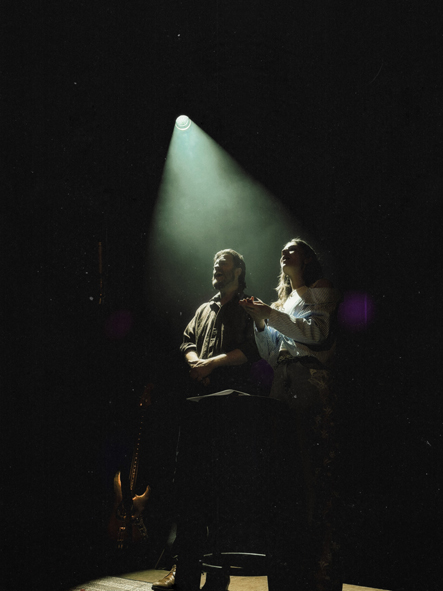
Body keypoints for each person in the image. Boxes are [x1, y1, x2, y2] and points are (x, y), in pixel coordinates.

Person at [152, 249, 261, 591]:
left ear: (239, 270)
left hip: (229, 409)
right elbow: (187, 341)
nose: (216, 266)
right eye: (214, 262)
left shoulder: (248, 307)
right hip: (197, 408)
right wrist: (196, 362)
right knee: (188, 490)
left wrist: (211, 364)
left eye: (223, 262)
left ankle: (217, 574)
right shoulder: (203, 309)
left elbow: (253, 350)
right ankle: (183, 570)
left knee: (222, 493)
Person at [239, 238, 343, 591]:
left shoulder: (319, 289)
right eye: (282, 250)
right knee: (285, 476)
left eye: (292, 248)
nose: (284, 252)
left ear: (308, 258)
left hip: (308, 379)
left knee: (312, 469)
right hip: (281, 382)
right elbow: (270, 354)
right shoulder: (282, 302)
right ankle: (289, 571)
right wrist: (260, 322)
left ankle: (318, 569)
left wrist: (269, 315)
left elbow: (317, 332)